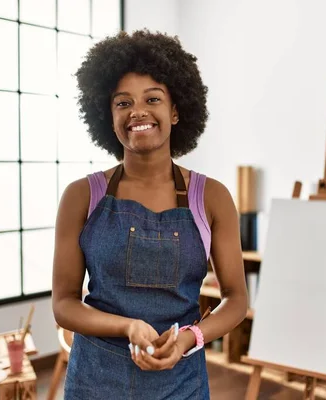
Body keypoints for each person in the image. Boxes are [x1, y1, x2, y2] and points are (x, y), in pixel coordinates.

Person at [52, 29, 248, 399]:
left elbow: (236, 297)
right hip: (96, 379)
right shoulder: (82, 196)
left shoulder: (212, 197)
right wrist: (127, 326)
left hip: (181, 381)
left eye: (152, 99)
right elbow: (64, 305)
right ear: (108, 117)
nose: (138, 111)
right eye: (123, 103)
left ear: (175, 111)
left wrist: (190, 337)